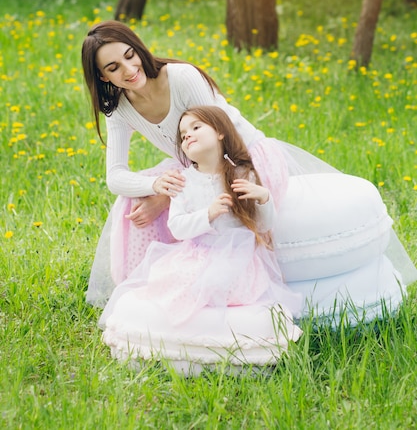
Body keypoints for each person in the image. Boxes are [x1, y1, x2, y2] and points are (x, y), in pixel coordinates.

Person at [81, 20, 416, 324]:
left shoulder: (181, 78)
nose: (129, 69)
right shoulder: (119, 110)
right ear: (103, 77)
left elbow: (222, 143)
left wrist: (165, 199)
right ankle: (146, 289)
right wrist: (155, 186)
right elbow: (116, 176)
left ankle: (221, 292)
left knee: (209, 213)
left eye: (130, 55)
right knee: (131, 202)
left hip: (241, 159)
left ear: (138, 48)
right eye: (113, 67)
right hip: (196, 166)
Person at [99, 106, 303, 374]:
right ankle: (183, 337)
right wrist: (206, 215)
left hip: (236, 255)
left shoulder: (243, 174)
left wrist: (263, 198)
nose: (188, 136)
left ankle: (219, 335)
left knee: (222, 287)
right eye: (183, 135)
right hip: (196, 252)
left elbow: (263, 225)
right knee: (172, 288)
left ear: (220, 132)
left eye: (196, 128)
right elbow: (177, 227)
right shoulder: (185, 181)